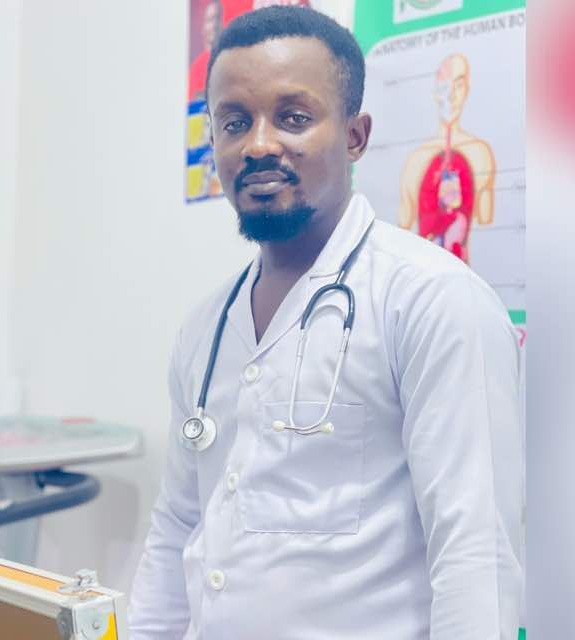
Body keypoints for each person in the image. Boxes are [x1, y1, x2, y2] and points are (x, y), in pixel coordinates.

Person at [130, 6, 522, 639]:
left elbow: (476, 557)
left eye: (293, 117)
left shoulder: (433, 301)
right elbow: (178, 527)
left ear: (355, 135)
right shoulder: (205, 329)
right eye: (234, 121)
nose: (258, 145)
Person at [398, 53, 496, 264]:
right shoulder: (416, 161)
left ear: (467, 89)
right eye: (444, 87)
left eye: (458, 85)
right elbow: (403, 225)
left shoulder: (480, 154)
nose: (451, 95)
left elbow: (486, 223)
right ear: (435, 92)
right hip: (424, 273)